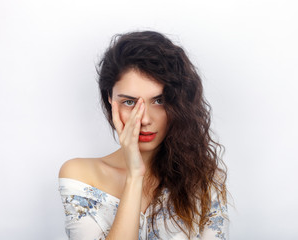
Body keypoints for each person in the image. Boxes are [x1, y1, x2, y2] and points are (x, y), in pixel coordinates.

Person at [58, 31, 229, 240]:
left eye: (159, 101)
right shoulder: (80, 176)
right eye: (129, 102)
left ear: (179, 103)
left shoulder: (204, 181)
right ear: (110, 99)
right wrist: (134, 176)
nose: (145, 119)